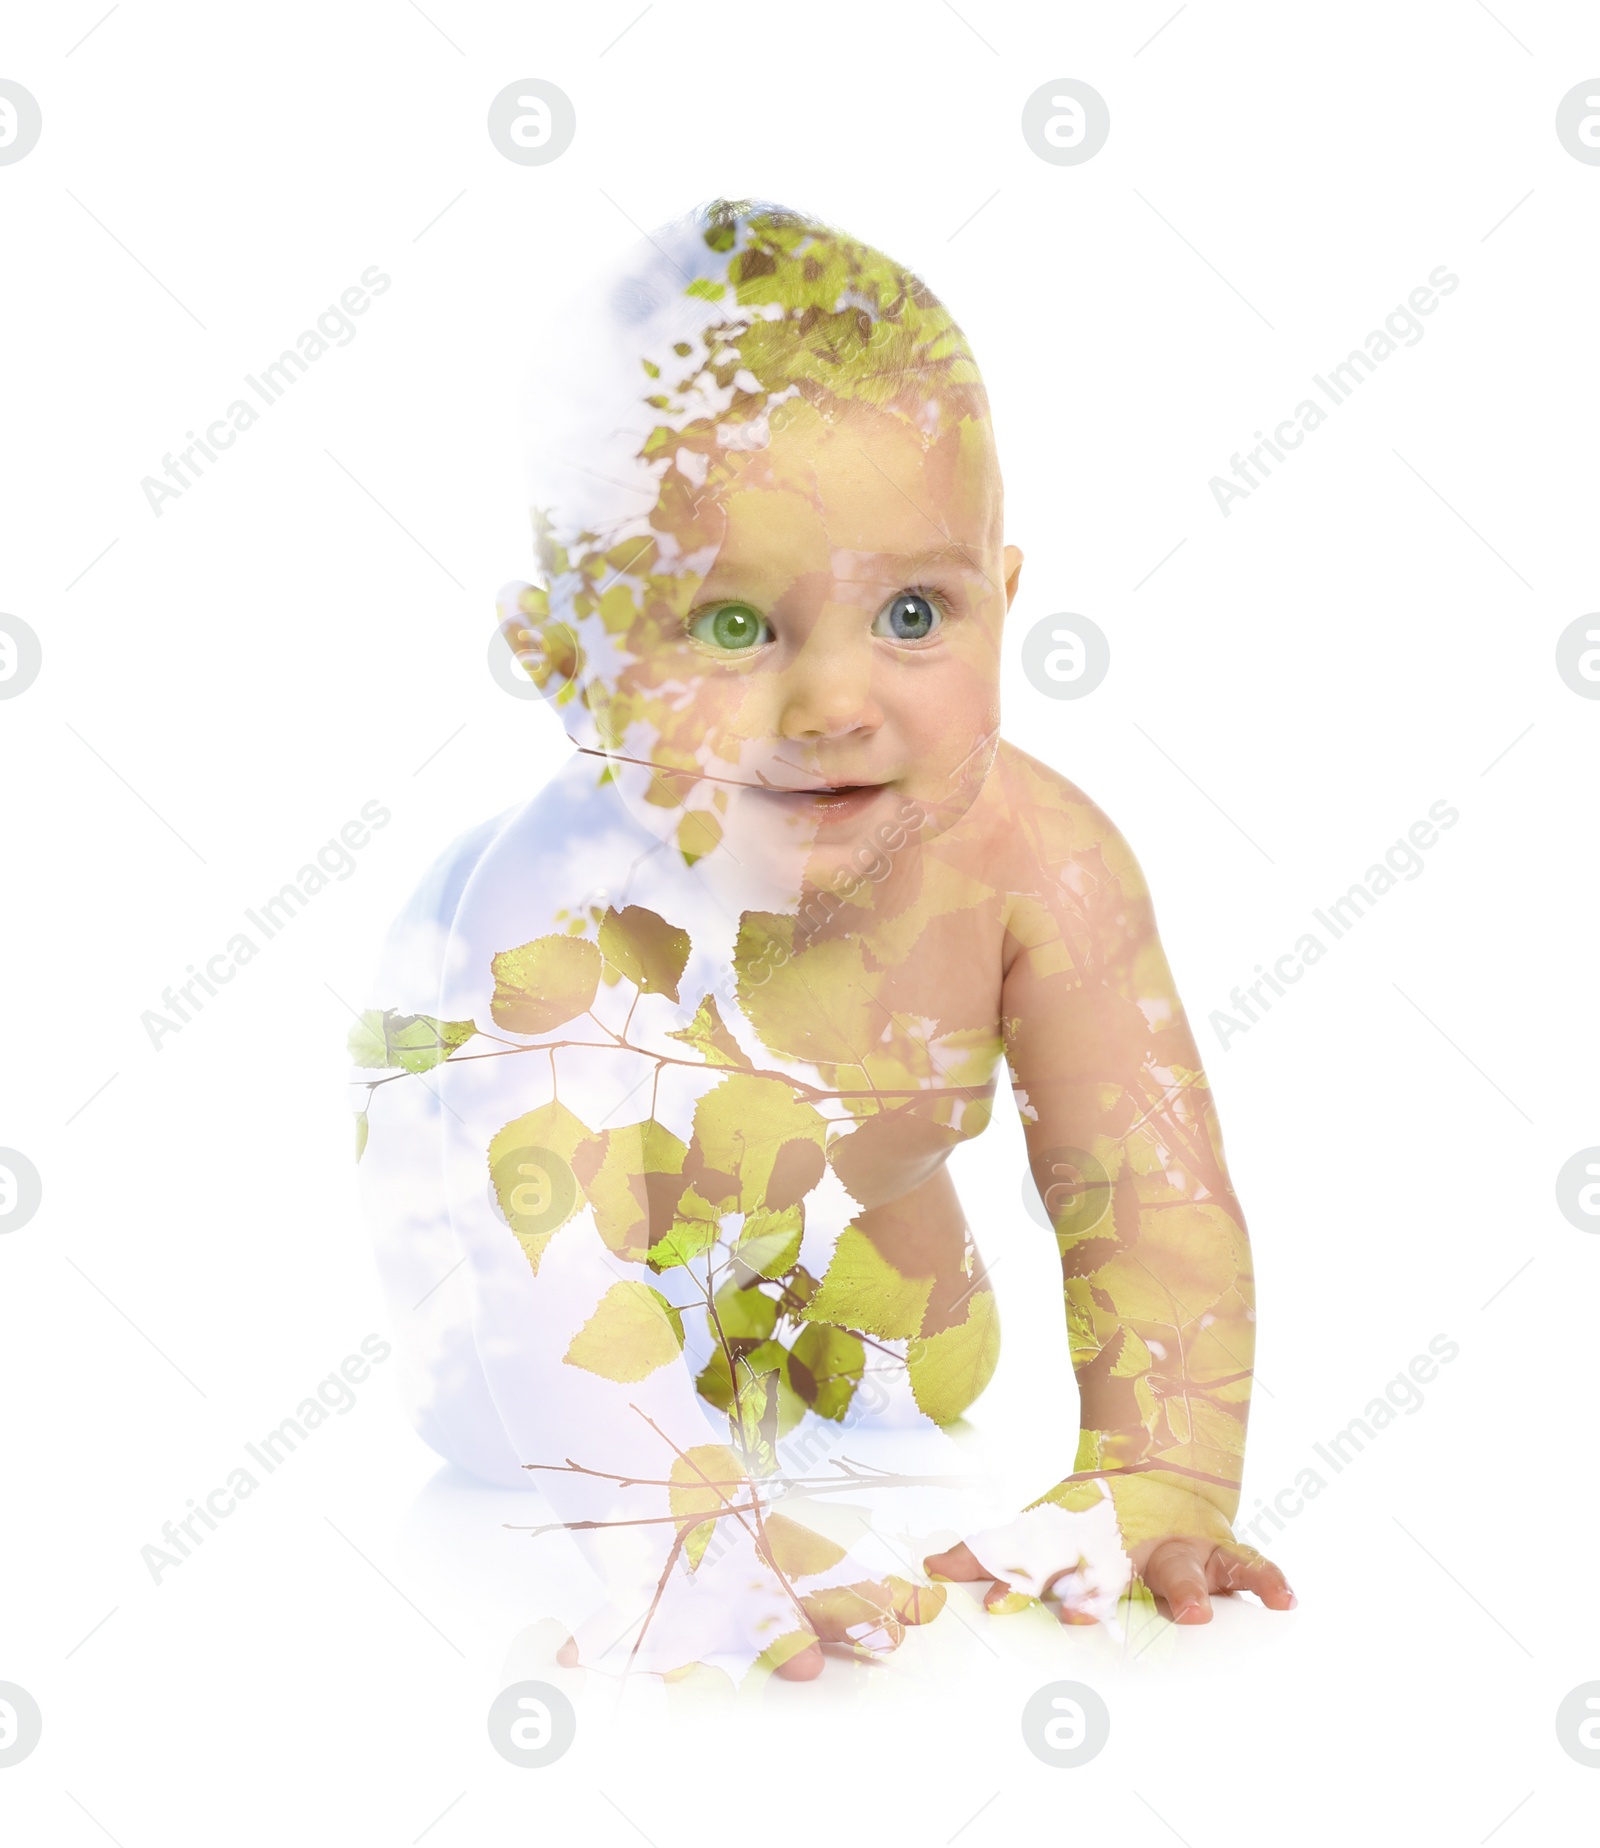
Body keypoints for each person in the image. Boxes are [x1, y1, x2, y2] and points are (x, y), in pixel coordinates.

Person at [351, 198, 1293, 1682]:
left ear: (1009, 596)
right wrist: (687, 1549)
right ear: (556, 659)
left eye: (916, 611)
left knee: (935, 1374)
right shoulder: (554, 913)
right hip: (525, 1246)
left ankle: (773, 1324)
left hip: (831, 1200)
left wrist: (1162, 1463)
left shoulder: (1042, 859)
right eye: (732, 628)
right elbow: (548, 1272)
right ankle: (689, 1420)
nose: (837, 703)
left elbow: (1146, 1177)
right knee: (500, 1417)